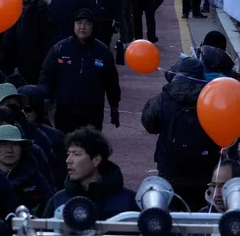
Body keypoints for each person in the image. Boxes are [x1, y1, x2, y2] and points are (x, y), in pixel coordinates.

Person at [141, 57, 221, 211]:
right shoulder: (211, 98)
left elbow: (150, 124)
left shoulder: (163, 97)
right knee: (203, 215)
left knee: (171, 216)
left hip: (170, 169)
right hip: (204, 170)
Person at [38, 9, 120, 133]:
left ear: (93, 26)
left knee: (91, 149)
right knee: (66, 149)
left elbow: (112, 81)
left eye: (87, 23)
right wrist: (45, 97)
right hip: (65, 113)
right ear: (73, 25)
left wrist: (114, 106)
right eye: (79, 23)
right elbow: (47, 74)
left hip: (92, 114)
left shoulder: (103, 52)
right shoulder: (60, 48)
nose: (82, 27)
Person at [43, 127, 137, 220]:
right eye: (68, 154)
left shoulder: (129, 201)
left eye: (76, 154)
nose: (68, 160)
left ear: (96, 160)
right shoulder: (57, 201)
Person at [0, 125, 53, 215]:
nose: (9, 150)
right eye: (4, 144)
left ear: (21, 148)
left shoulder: (34, 175)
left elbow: (50, 203)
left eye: (14, 144)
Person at [0, 0, 51, 84]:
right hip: (15, 56)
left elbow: (45, 36)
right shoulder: (16, 4)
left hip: (32, 59)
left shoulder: (40, 8)